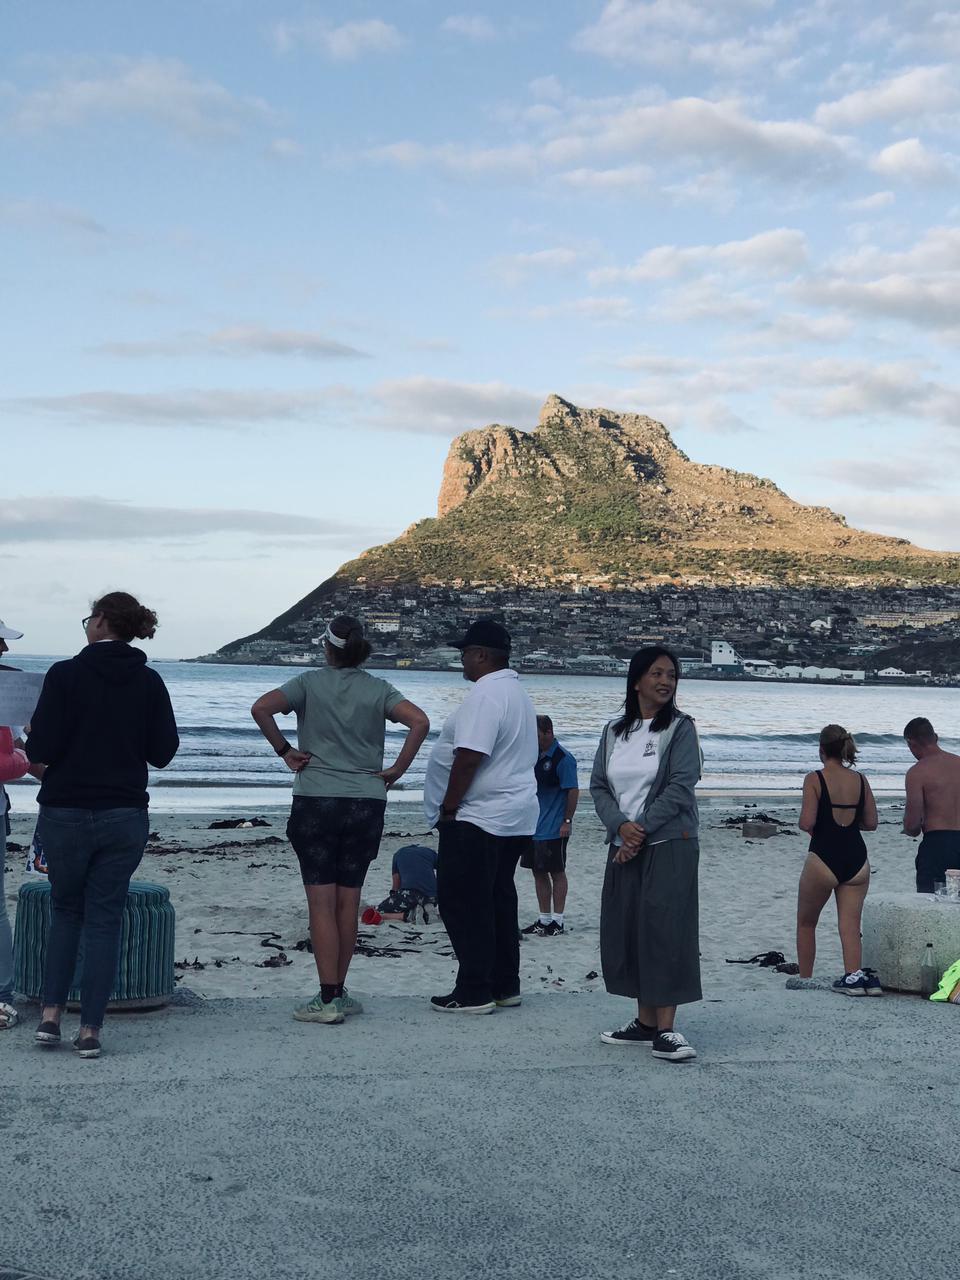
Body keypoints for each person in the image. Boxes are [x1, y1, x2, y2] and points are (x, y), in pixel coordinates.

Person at [252, 616, 429, 1026]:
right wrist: (398, 769)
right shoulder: (378, 688)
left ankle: (327, 996)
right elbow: (419, 721)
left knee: (321, 902)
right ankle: (340, 991)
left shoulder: (308, 683)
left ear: (327, 647)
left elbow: (261, 708)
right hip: (365, 802)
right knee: (349, 900)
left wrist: (285, 751)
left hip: (316, 800)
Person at [25, 593, 179, 1058]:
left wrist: (34, 734)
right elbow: (164, 752)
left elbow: (40, 750)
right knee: (105, 918)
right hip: (124, 812)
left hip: (66, 809)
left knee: (66, 910)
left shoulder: (64, 674)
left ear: (101, 621)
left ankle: (51, 1016)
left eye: (89, 618)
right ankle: (91, 1028)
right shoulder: (149, 681)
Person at [591, 646, 702, 1063]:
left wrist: (638, 832)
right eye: (656, 673)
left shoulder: (680, 728)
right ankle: (644, 1022)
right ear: (636, 680)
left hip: (670, 844)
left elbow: (681, 786)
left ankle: (667, 1029)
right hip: (624, 845)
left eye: (671, 675)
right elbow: (599, 786)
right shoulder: (614, 731)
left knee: (665, 932)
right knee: (630, 930)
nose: (665, 681)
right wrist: (621, 828)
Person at [423, 619, 538, 1014]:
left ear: (482, 655)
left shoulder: (486, 694)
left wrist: (449, 807)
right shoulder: (516, 693)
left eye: (466, 653)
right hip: (514, 813)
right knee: (497, 898)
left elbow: (470, 755)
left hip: (480, 816)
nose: (462, 660)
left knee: (463, 901)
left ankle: (474, 990)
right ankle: (505, 984)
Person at [796, 725, 880, 996]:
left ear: (821, 749)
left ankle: (805, 978)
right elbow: (871, 823)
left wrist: (820, 825)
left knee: (807, 923)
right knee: (851, 926)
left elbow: (806, 822)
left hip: (823, 856)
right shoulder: (860, 780)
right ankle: (854, 978)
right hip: (856, 858)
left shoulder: (815, 778)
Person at [1, 617, 33, 1030]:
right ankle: (2, 997)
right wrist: (26, 758)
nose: (5, 650)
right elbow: (10, 761)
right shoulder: (7, 689)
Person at [520, 715, 579, 937]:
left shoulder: (563, 758)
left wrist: (567, 820)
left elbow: (572, 790)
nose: (533, 739)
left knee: (557, 871)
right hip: (532, 825)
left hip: (554, 826)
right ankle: (544, 919)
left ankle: (558, 920)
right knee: (538, 871)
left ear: (548, 732)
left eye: (536, 735)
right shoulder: (531, 755)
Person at [902, 717, 960, 892]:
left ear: (911, 743)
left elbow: (912, 826)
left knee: (931, 902)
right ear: (935, 737)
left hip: (938, 844)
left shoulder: (917, 773)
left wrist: (909, 828)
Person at [377, 843, 438, 922]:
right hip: (433, 895)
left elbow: (396, 886)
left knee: (380, 910)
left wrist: (393, 896)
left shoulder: (398, 854)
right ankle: (427, 906)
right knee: (419, 900)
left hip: (410, 894)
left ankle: (408, 915)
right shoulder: (430, 852)